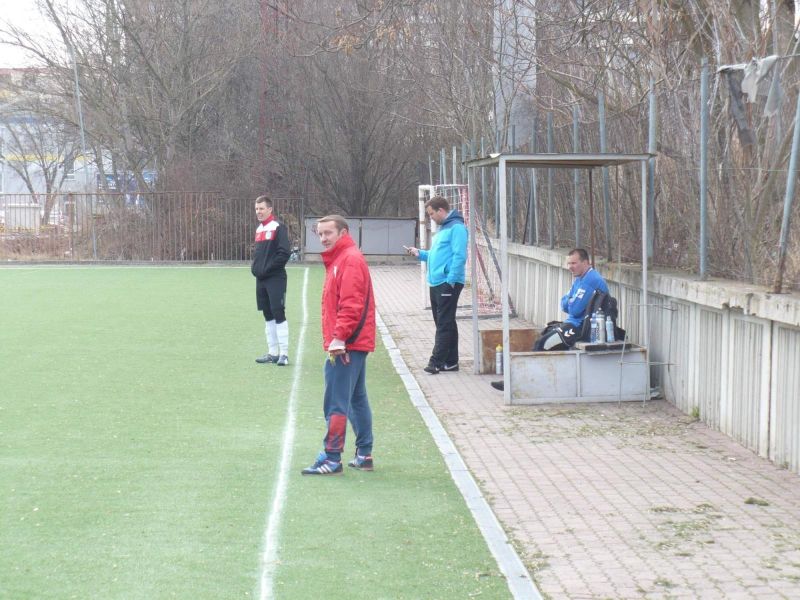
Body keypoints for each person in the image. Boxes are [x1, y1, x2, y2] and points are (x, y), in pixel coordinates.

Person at [301, 215, 376, 475]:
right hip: (351, 342)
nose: (323, 238)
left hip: (347, 344)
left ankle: (332, 457)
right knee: (356, 398)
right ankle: (364, 453)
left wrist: (339, 338)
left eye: (328, 233)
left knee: (336, 400)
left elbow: (352, 304)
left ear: (343, 233)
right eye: (320, 234)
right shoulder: (342, 259)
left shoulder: (350, 260)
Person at [491, 248, 608, 391]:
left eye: (574, 263)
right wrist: (570, 301)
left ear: (586, 262)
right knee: (543, 337)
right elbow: (564, 303)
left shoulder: (591, 280)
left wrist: (570, 301)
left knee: (544, 344)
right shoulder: (579, 278)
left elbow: (574, 308)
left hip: (582, 328)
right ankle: (520, 380)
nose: (570, 267)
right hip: (573, 323)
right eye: (569, 263)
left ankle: (520, 383)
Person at [405, 195, 468, 374]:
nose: (430, 217)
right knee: (445, 322)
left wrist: (451, 281)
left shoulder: (457, 228)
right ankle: (452, 361)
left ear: (441, 210)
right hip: (436, 282)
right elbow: (435, 254)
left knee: (444, 323)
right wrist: (420, 253)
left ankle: (436, 362)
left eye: (431, 214)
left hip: (448, 283)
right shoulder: (443, 229)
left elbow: (459, 256)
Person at [251, 195, 291, 366]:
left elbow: (284, 253)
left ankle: (284, 354)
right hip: (261, 280)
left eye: (261, 208)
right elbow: (259, 255)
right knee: (267, 315)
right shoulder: (259, 229)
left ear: (270, 209)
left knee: (278, 312)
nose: (258, 212)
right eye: (256, 209)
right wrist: (256, 269)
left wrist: (267, 269)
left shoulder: (279, 227)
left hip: (275, 278)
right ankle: (273, 352)